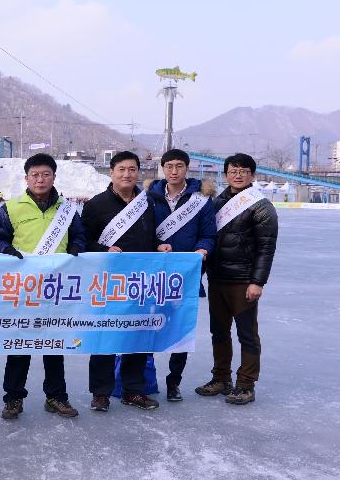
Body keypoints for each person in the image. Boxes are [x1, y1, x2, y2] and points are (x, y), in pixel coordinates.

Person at [0, 153, 86, 420]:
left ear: (54, 177)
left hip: (56, 288)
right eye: (35, 175)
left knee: (54, 345)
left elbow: (79, 236)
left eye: (46, 174)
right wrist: (5, 249)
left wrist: (76, 249)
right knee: (19, 345)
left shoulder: (67, 209)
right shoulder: (12, 207)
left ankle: (56, 396)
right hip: (23, 288)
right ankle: (13, 399)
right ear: (27, 178)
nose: (40, 179)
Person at [81, 150, 168, 413]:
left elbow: (150, 237)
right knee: (105, 337)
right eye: (122, 169)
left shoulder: (148, 203)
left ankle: (133, 390)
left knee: (137, 336)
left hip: (141, 283)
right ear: (112, 172)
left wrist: (159, 246)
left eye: (132, 169)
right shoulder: (96, 205)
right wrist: (103, 250)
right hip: (108, 282)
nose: (127, 174)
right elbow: (83, 241)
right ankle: (101, 393)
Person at [196, 153, 278, 405]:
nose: (238, 175)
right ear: (226, 174)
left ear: (252, 175)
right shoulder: (217, 202)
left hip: (243, 280)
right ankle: (221, 378)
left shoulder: (261, 206)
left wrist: (258, 282)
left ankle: (245, 384)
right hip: (218, 278)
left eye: (243, 170)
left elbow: (266, 248)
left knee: (247, 334)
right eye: (233, 170)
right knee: (218, 331)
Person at [147, 148, 217, 402]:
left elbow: (209, 235)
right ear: (163, 169)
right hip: (154, 276)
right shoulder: (148, 197)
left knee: (181, 331)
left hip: (185, 276)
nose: (174, 171)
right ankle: (146, 379)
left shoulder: (201, 199)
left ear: (187, 168)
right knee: (148, 328)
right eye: (169, 166)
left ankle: (174, 382)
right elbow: (143, 232)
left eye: (179, 166)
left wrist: (203, 249)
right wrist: (155, 245)